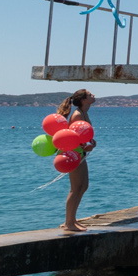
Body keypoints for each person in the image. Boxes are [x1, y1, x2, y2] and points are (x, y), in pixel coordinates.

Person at [59, 89, 97, 232]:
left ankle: (72, 220)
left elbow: (84, 135)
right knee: (76, 188)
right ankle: (68, 223)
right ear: (83, 99)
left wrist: (91, 143)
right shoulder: (77, 115)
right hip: (73, 154)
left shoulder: (84, 113)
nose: (93, 95)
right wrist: (85, 146)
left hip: (80, 153)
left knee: (83, 186)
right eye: (90, 94)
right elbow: (73, 138)